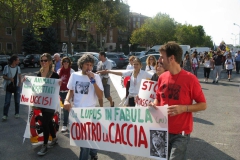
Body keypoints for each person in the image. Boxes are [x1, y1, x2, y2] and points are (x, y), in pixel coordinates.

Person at [150, 42, 207, 160]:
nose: (159, 60)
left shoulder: (190, 79)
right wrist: (154, 104)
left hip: (180, 134)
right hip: (161, 131)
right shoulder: (162, 77)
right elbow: (158, 98)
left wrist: (184, 108)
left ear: (171, 58)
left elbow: (203, 105)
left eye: (162, 57)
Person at [64, 54, 103, 160]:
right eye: (87, 64)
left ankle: (93, 153)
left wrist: (93, 81)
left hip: (90, 114)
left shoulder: (97, 77)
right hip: (77, 113)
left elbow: (100, 96)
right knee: (84, 142)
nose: (89, 67)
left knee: (87, 142)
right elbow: (71, 90)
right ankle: (93, 153)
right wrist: (67, 100)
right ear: (81, 65)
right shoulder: (74, 75)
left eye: (91, 65)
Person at [36, 53, 60, 156]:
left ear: (50, 62)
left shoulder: (55, 75)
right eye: (42, 60)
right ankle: (54, 139)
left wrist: (60, 84)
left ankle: (44, 146)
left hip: (51, 103)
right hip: (42, 102)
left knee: (45, 123)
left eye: (45, 60)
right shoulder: (38, 74)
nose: (43, 62)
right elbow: (35, 87)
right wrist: (26, 81)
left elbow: (57, 89)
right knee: (48, 121)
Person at [57, 57, 75, 132]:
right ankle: (70, 122)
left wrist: (73, 94)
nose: (66, 63)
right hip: (60, 92)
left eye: (67, 62)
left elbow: (74, 83)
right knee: (66, 109)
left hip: (68, 92)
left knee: (65, 108)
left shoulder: (71, 71)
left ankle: (65, 125)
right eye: (64, 61)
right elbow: (56, 80)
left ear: (69, 63)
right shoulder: (59, 71)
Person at [2, 55, 21, 121]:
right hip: (9, 86)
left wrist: (20, 82)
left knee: (17, 101)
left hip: (16, 86)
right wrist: (9, 78)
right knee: (7, 102)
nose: (19, 61)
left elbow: (19, 75)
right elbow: (4, 76)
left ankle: (17, 113)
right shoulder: (6, 67)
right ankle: (5, 115)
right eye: (18, 60)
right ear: (14, 61)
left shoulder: (18, 68)